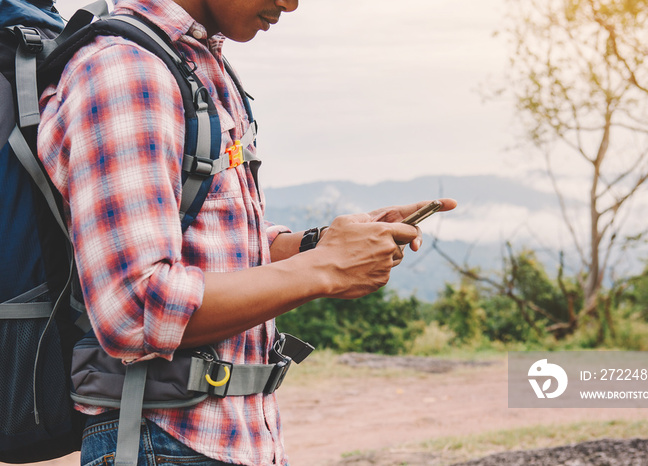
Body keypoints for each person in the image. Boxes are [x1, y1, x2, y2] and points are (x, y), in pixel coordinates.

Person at [37, 0, 457, 464]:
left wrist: (319, 244)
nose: (291, 3)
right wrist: (326, 268)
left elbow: (211, 240)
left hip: (226, 440)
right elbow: (135, 308)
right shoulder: (125, 69)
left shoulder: (194, 60)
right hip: (166, 441)